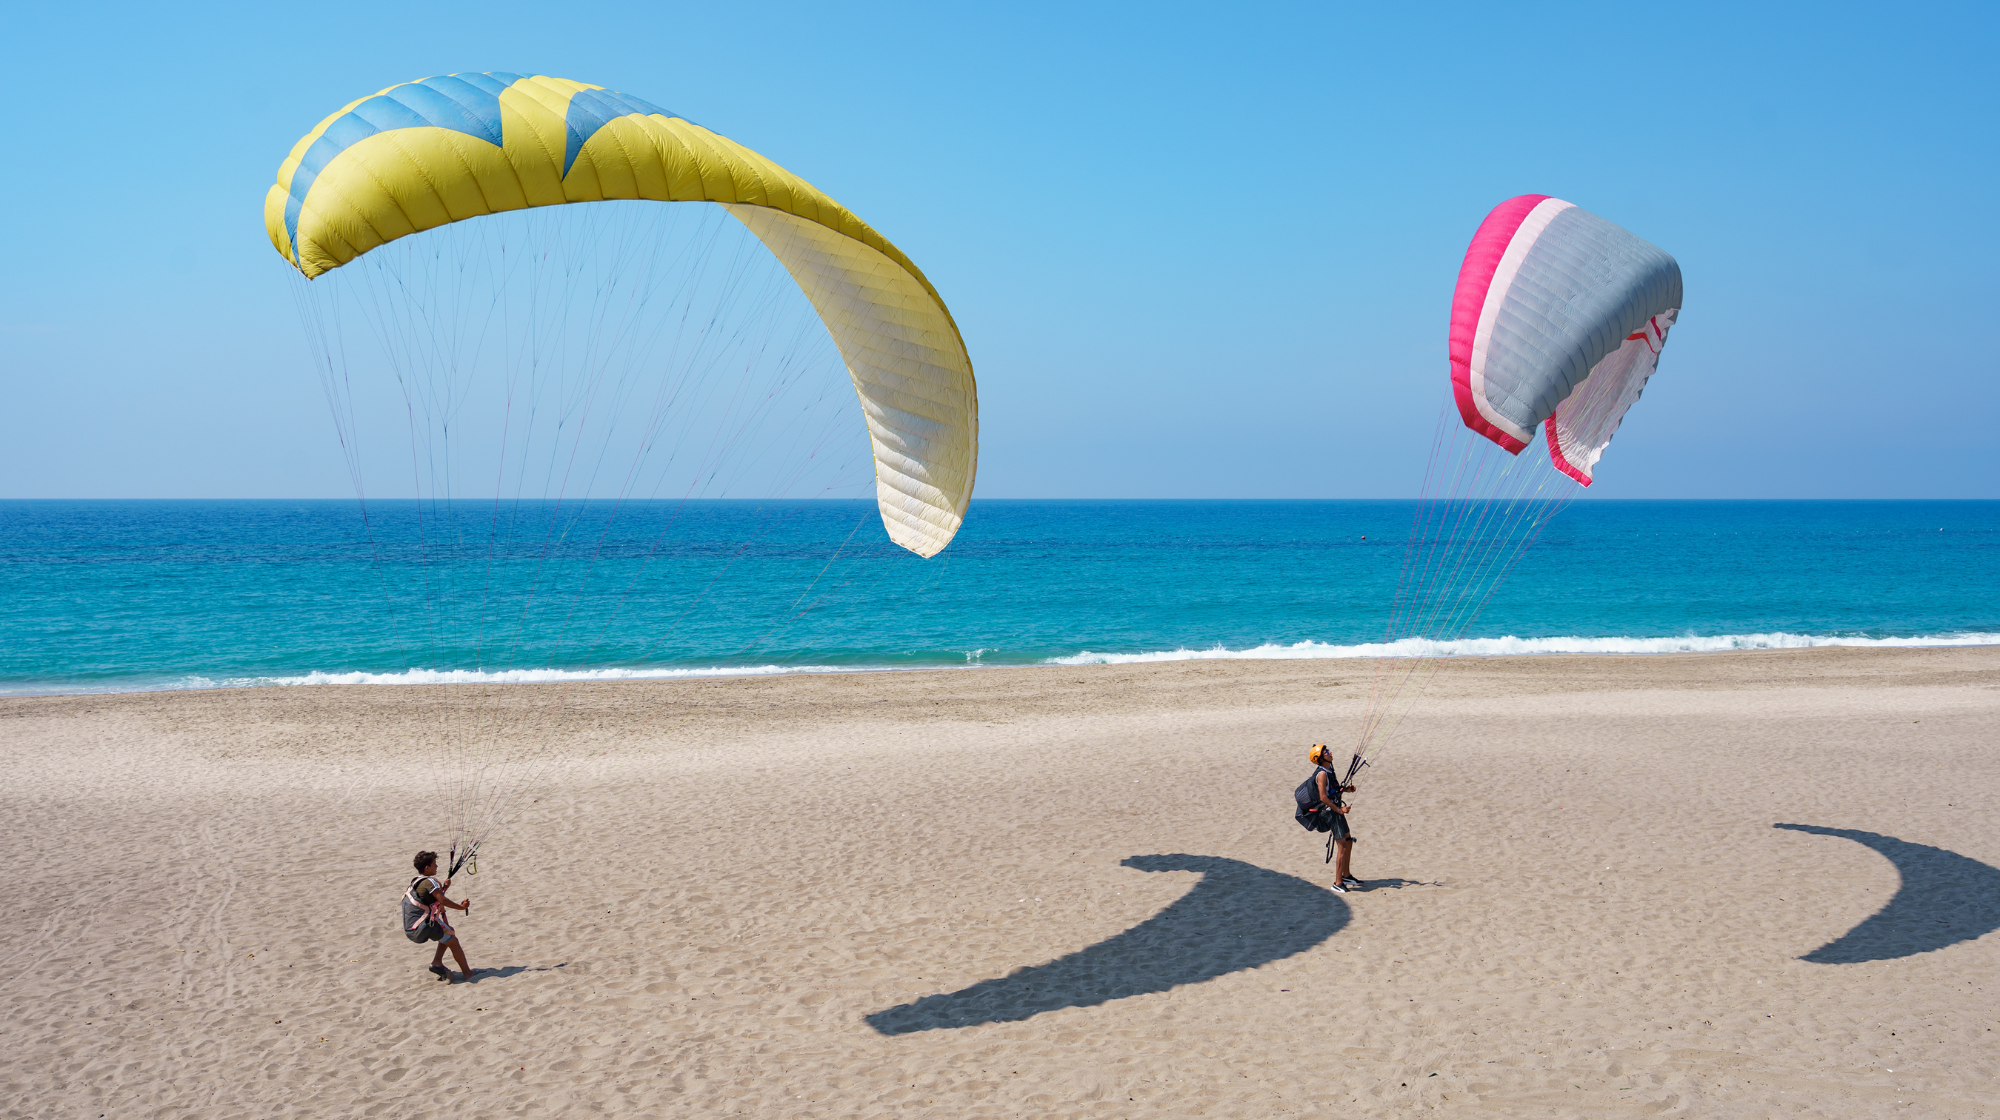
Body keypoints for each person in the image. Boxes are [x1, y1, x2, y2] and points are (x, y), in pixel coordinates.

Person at [404, 851, 474, 981]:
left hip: (411, 928)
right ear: (427, 868)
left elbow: (432, 898)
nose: (437, 866)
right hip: (422, 926)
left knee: (448, 930)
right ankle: (468, 973)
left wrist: (444, 888)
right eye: (434, 864)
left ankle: (437, 962)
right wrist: (461, 907)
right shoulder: (430, 882)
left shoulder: (417, 881)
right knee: (453, 939)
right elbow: (443, 901)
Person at [1304, 744, 1361, 892]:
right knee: (1342, 845)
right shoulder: (1322, 774)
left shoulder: (1330, 770)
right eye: (1326, 752)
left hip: (1335, 810)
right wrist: (1340, 810)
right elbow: (1323, 797)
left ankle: (1346, 875)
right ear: (1320, 758)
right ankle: (1338, 883)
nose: (1330, 753)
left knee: (1348, 840)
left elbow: (1333, 789)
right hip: (1329, 812)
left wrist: (1346, 790)